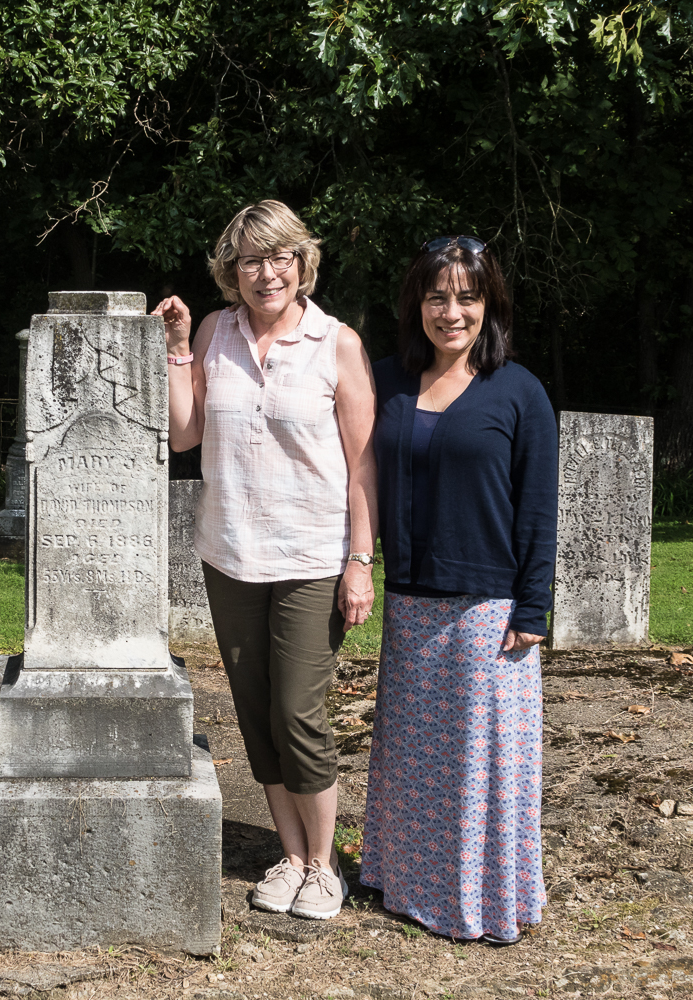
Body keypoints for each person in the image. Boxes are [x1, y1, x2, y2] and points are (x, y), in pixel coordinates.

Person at [152, 200, 378, 921]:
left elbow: (363, 464)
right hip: (231, 554)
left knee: (298, 713)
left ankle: (325, 864)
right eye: (250, 259)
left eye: (280, 256)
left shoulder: (335, 343)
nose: (266, 271)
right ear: (231, 272)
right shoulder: (216, 332)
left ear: (302, 263)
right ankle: (291, 855)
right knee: (255, 714)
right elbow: (184, 437)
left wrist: (360, 560)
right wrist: (179, 347)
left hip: (312, 556)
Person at [360, 235, 556, 943]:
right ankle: (410, 884)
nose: (451, 311)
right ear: (415, 302)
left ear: (489, 305)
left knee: (479, 767)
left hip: (489, 608)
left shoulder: (520, 391)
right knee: (414, 759)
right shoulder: (385, 380)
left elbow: (537, 507)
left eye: (467, 297)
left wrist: (534, 606)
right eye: (436, 296)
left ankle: (479, 899)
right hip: (410, 600)